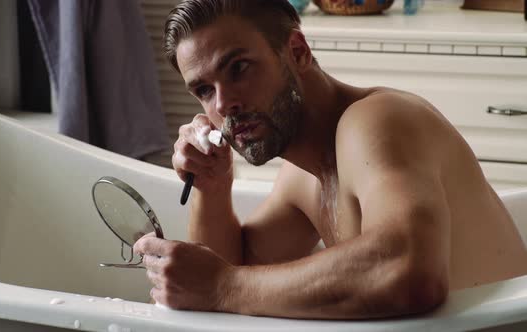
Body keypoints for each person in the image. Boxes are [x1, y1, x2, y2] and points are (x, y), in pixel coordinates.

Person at [133, 0, 527, 319]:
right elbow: (227, 278)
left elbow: (409, 271)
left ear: (297, 51)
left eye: (239, 69)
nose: (224, 104)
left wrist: (223, 286)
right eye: (203, 89)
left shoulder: (377, 119)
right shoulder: (302, 177)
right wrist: (212, 186)